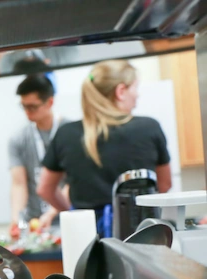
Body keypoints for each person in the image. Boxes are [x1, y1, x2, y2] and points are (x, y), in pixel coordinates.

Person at [37, 60, 172, 235]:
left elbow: (44, 189)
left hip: (87, 239)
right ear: (121, 91)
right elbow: (165, 184)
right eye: (135, 88)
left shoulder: (66, 133)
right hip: (140, 235)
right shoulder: (149, 128)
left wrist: (73, 212)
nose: (137, 95)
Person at [9, 73, 69, 232]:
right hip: (35, 223)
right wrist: (17, 218)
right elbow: (19, 183)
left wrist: (51, 213)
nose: (27, 112)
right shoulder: (18, 138)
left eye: (32, 106)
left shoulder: (70, 132)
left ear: (49, 102)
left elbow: (74, 182)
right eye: (24, 106)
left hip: (68, 218)